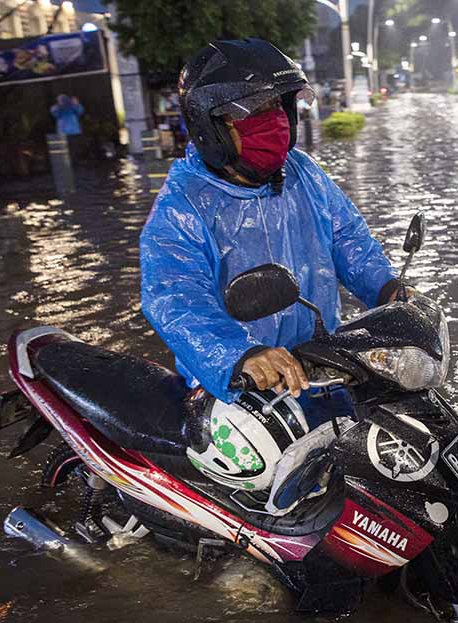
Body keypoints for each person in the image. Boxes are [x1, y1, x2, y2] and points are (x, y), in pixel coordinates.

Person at [140, 39, 405, 489]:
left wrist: (387, 291)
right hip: (241, 389)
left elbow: (348, 238)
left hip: (321, 364)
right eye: (251, 113)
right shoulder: (183, 205)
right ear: (211, 126)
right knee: (281, 509)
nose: (274, 122)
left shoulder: (303, 173)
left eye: (278, 106)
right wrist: (238, 355)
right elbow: (175, 298)